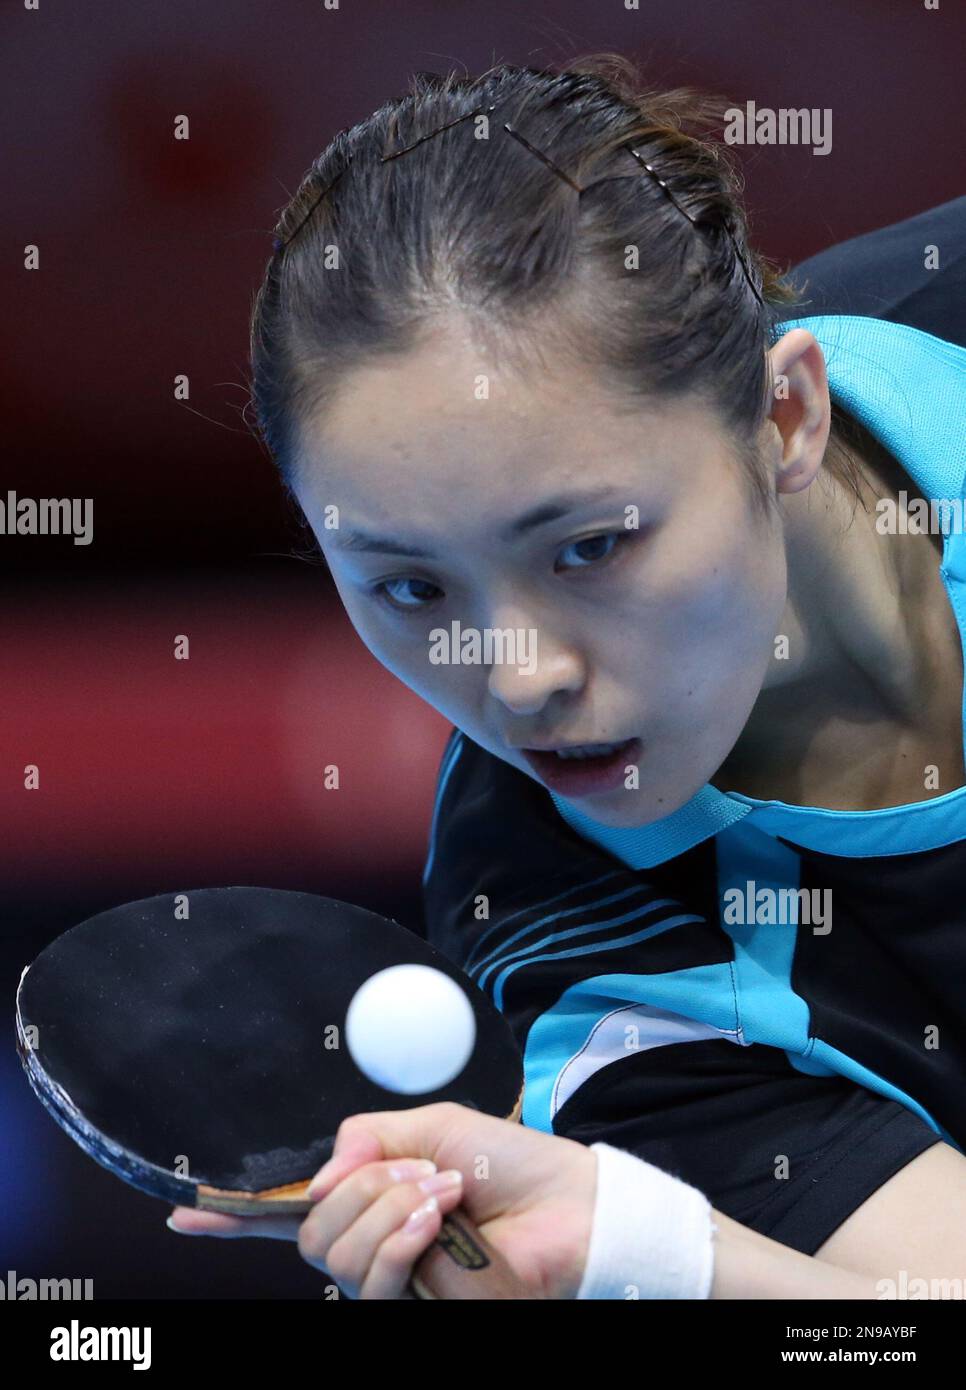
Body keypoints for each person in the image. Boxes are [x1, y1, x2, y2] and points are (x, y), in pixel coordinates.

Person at [169, 56, 966, 1297]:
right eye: (411, 588)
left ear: (785, 418)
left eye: (590, 547)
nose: (523, 676)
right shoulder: (577, 946)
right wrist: (651, 1254)